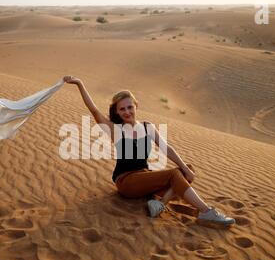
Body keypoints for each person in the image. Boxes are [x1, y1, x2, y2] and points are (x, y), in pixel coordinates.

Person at [63, 75, 235, 226]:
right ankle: (206, 212)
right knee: (174, 175)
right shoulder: (115, 129)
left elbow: (167, 148)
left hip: (145, 176)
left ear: (136, 106)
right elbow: (93, 109)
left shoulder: (148, 127)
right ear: (117, 112)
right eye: (122, 109)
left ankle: (160, 204)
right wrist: (79, 83)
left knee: (186, 168)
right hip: (127, 181)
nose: (127, 112)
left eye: (130, 107)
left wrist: (186, 168)